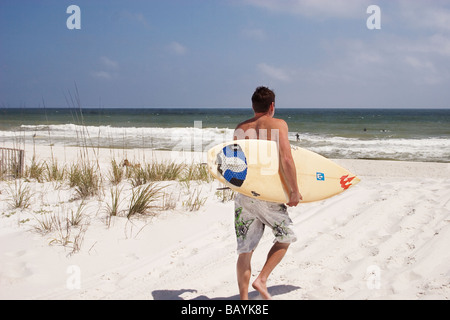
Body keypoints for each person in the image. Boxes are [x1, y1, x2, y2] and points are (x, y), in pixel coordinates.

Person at [233, 86, 302, 300]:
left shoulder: (240, 128)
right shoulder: (278, 124)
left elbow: (235, 164)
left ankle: (243, 300)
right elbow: (286, 159)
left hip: (244, 194)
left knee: (245, 249)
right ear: (272, 106)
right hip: (267, 194)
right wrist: (294, 191)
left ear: (252, 107)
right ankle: (261, 279)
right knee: (286, 236)